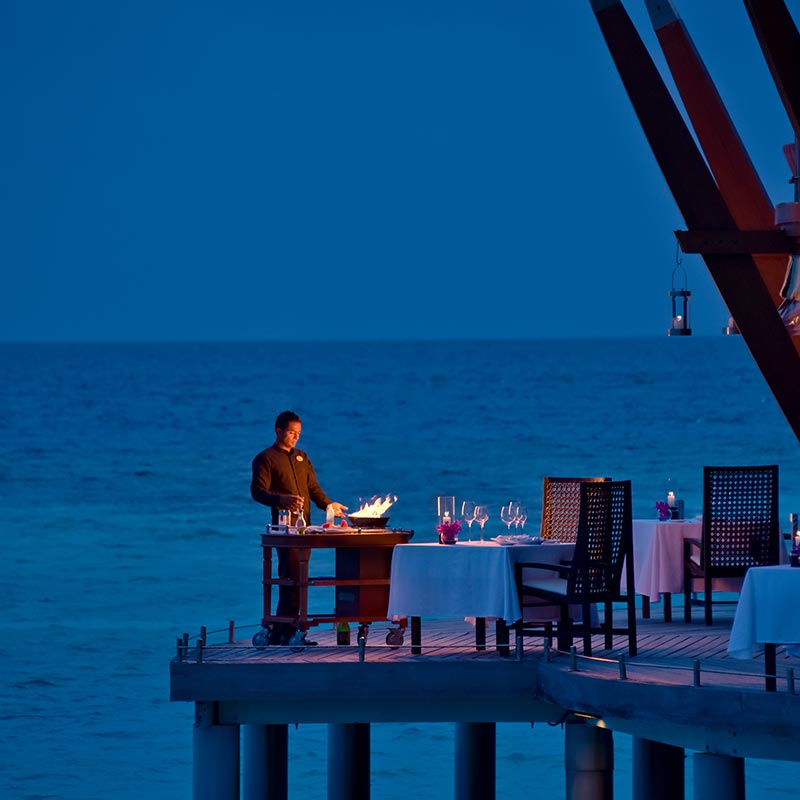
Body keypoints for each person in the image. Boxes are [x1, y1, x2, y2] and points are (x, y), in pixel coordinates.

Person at [250, 410, 348, 645]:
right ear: (279, 430)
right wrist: (281, 499)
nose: (295, 437)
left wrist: (329, 505)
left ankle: (283, 630)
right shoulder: (265, 458)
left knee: (299, 577)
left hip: (304, 527)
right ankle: (286, 629)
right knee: (290, 577)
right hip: (284, 529)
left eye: (298, 434)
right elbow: (257, 491)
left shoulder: (302, 457)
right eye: (291, 433)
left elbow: (313, 488)